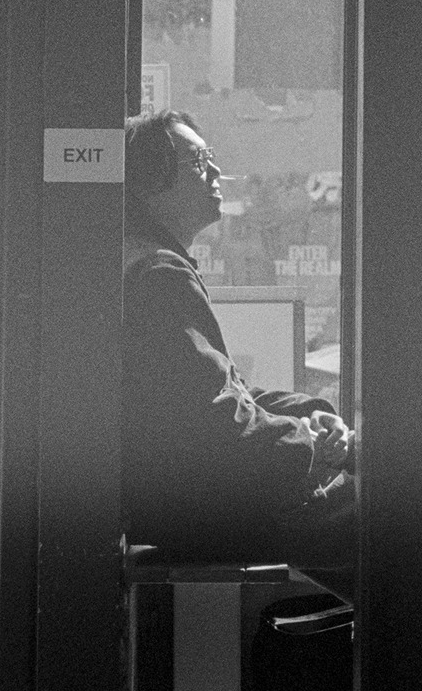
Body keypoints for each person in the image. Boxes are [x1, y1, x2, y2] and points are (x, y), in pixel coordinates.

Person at [121, 108, 356, 610]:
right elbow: (215, 422)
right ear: (150, 179)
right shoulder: (160, 274)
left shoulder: (144, 259)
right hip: (192, 510)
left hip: (170, 501)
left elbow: (223, 393)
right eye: (198, 160)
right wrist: (312, 447)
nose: (214, 173)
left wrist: (305, 413)